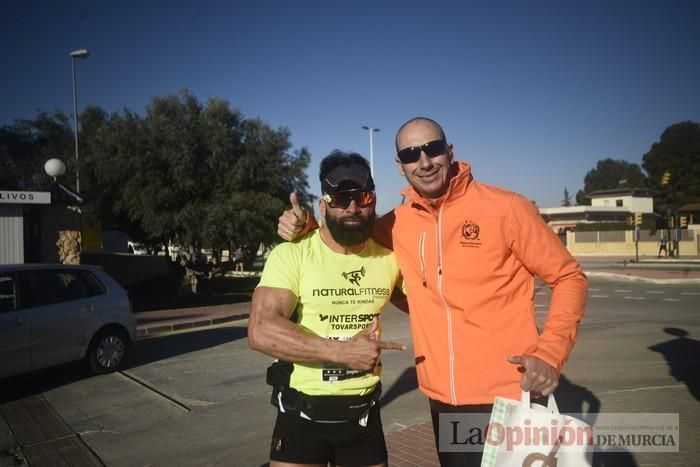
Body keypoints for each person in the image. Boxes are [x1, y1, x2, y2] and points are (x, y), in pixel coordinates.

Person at [278, 117, 588, 466]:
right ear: (400, 166)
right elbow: (345, 231)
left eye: (433, 149)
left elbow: (569, 277)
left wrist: (550, 353)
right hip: (443, 401)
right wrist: (306, 227)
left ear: (449, 151)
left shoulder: (507, 209)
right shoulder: (395, 224)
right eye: (411, 154)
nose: (424, 162)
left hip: (509, 394)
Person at [248, 151, 408, 467]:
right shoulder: (291, 254)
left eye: (361, 196)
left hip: (363, 416)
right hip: (300, 416)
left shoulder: (390, 260)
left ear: (373, 200)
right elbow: (261, 330)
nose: (352, 206)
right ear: (323, 205)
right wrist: (341, 352)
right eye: (340, 197)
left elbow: (437, 306)